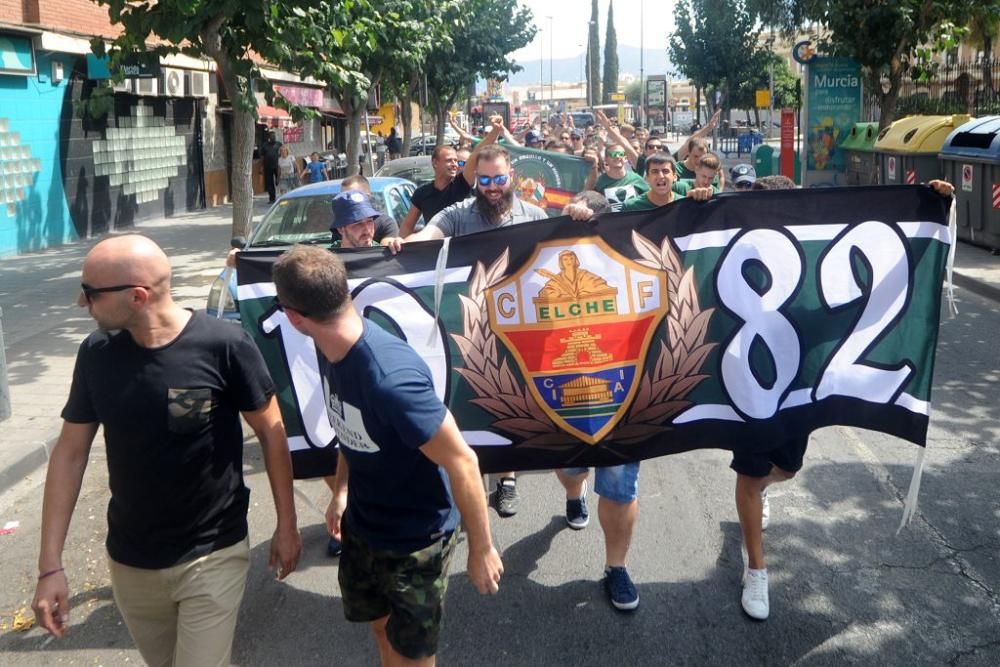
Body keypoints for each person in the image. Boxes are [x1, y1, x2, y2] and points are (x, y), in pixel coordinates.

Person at [32, 235, 301, 665]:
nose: (81, 304)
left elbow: (271, 431)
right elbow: (70, 454)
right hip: (131, 563)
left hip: (213, 554)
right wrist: (50, 565)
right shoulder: (96, 355)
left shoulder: (223, 346)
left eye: (90, 293)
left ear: (138, 296)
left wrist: (287, 525)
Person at [271, 245, 503, 666]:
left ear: (293, 316)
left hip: (417, 539)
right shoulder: (329, 348)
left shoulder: (390, 381)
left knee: (412, 655)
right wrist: (340, 492)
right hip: (364, 525)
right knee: (380, 628)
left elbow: (463, 461)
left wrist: (482, 548)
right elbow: (349, 426)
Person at [385, 142, 547, 516]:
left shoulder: (535, 215)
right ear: (476, 180)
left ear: (512, 178)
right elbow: (429, 235)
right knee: (470, 401)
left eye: (499, 179)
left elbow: (569, 242)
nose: (492, 187)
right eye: (485, 179)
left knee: (512, 401)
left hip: (519, 328)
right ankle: (468, 481)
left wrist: (581, 213)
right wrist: (403, 242)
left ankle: (506, 480)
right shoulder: (460, 213)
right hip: (470, 327)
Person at [397, 144, 475, 237]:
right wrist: (401, 244)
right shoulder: (422, 192)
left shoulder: (462, 185)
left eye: (456, 161)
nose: (455, 164)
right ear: (435, 163)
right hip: (434, 248)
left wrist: (495, 131)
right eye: (449, 160)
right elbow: (407, 225)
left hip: (461, 247)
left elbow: (476, 158)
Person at [621, 153, 713, 212]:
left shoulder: (686, 206)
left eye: (665, 171)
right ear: (647, 178)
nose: (661, 176)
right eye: (655, 171)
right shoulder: (630, 208)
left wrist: (703, 204)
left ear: (675, 177)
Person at [585, 143, 649, 212]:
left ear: (625, 158)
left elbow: (651, 198)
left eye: (621, 154)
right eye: (613, 154)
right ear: (606, 159)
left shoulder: (636, 179)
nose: (618, 156)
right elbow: (587, 200)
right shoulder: (599, 182)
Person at [338, 175, 400, 243]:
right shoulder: (341, 225)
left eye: (369, 222)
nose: (367, 229)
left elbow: (387, 248)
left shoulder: (385, 223)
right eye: (344, 197)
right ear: (341, 229)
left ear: (367, 197)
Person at [261, 132, 282, 203]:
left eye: (274, 136)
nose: (273, 137)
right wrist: (261, 167)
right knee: (270, 183)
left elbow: (283, 153)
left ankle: (282, 197)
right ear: (269, 137)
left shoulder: (279, 144)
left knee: (280, 181)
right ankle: (272, 198)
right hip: (268, 167)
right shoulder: (264, 145)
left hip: (278, 166)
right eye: (272, 136)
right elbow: (262, 157)